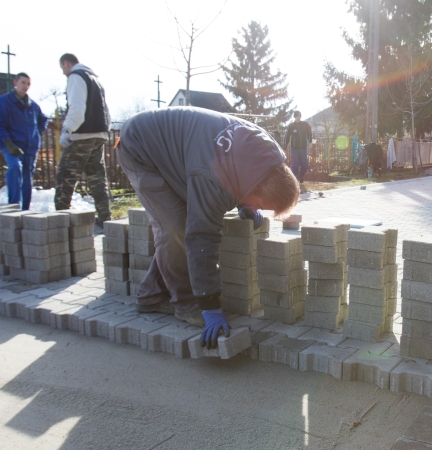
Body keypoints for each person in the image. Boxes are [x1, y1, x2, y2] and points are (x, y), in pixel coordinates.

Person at [118, 107, 299, 348]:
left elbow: (240, 177)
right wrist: (209, 304)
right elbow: (201, 238)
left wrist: (246, 205)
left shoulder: (270, 155)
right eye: (259, 204)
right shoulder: (212, 178)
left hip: (184, 153)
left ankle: (150, 295)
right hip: (140, 146)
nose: (259, 209)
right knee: (175, 227)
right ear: (255, 186)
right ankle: (184, 304)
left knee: (188, 220)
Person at [55, 53, 112, 227]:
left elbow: (77, 107)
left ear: (66, 63)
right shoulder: (95, 79)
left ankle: (59, 221)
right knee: (97, 178)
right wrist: (104, 131)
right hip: (99, 134)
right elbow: (106, 110)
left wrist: (67, 130)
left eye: (62, 68)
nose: (63, 72)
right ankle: (105, 219)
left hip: (82, 134)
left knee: (66, 176)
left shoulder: (75, 76)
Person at [0, 73, 47, 210]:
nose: (26, 86)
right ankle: (14, 206)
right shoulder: (4, 102)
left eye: (28, 84)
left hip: (30, 147)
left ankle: (25, 211)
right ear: (15, 83)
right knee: (14, 167)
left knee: (27, 178)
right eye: (23, 83)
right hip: (11, 145)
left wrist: (38, 133)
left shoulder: (33, 106)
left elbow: (43, 120)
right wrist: (8, 143)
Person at [283, 111, 312, 183]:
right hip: (294, 149)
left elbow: (309, 132)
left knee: (305, 166)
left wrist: (310, 141)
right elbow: (287, 137)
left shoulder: (305, 124)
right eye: (297, 117)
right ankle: (295, 180)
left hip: (303, 148)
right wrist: (284, 147)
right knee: (295, 166)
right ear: (294, 117)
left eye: (299, 117)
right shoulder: (291, 126)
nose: (298, 118)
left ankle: (300, 176)